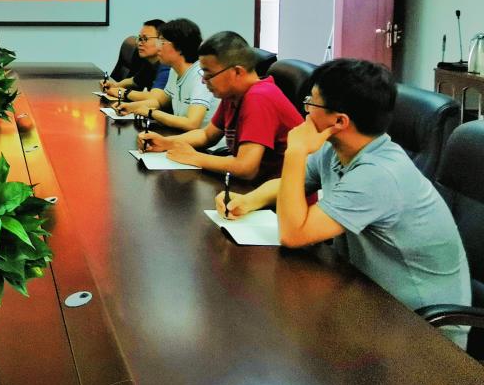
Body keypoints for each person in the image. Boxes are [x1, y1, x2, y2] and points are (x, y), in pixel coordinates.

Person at [215, 58, 470, 346]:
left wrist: (295, 151)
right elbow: (291, 183)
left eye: (312, 102)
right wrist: (248, 201)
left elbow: (293, 234)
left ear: (339, 121)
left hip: (421, 332)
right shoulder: (338, 150)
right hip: (367, 297)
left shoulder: (378, 174)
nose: (305, 109)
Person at [138, 31, 301, 180]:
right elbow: (207, 136)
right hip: (256, 186)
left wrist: (194, 157)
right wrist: (166, 143)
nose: (203, 81)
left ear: (237, 72)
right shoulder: (232, 94)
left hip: (279, 194)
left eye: (209, 75)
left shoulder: (259, 97)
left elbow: (246, 168)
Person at [118, 18, 218, 131]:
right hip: (182, 136)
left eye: (162, 42)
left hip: (204, 142)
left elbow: (192, 123)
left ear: (179, 47)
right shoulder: (174, 70)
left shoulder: (200, 77)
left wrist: (151, 113)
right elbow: (160, 101)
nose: (158, 47)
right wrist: (131, 107)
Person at [101, 18, 170, 102]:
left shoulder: (167, 66)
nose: (139, 43)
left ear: (161, 40)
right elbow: (134, 81)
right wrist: (115, 85)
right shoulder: (150, 62)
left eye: (145, 39)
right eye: (139, 39)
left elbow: (154, 97)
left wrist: (123, 92)